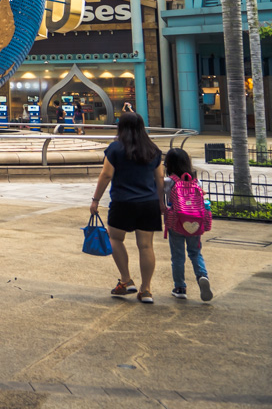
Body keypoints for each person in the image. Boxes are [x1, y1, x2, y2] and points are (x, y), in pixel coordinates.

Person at [90, 111, 165, 303]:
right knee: (146, 246)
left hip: (123, 202)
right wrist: (161, 202)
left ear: (120, 127)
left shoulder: (115, 149)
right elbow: (159, 178)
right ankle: (146, 290)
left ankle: (125, 280)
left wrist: (95, 200)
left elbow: (106, 175)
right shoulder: (153, 150)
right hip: (148, 203)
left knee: (115, 238)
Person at [163, 148, 213, 301]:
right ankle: (202, 276)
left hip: (176, 222)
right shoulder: (196, 181)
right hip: (196, 222)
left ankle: (180, 287)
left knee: (178, 256)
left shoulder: (169, 181)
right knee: (195, 252)